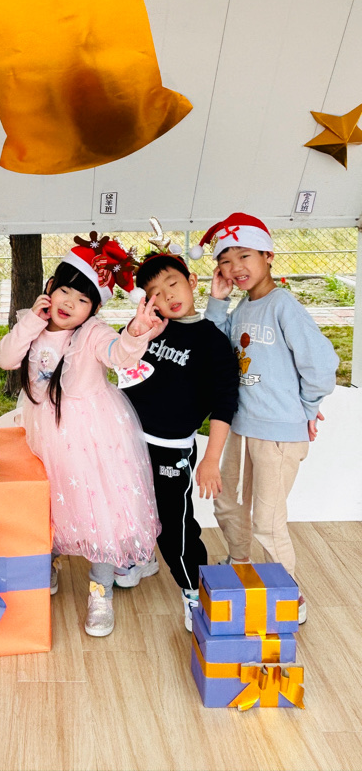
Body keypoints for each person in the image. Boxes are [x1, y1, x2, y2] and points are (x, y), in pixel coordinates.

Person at [0, 233, 164, 637]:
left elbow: (118, 354)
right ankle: (47, 563)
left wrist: (136, 331)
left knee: (97, 510)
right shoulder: (33, 324)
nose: (69, 303)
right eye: (65, 290)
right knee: (47, 502)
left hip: (89, 438)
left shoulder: (91, 334)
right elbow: (5, 358)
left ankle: (100, 590)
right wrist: (32, 321)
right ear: (50, 287)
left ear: (94, 309)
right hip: (40, 435)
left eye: (83, 299)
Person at [195, 212, 338, 621]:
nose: (235, 267)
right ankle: (240, 565)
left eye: (244, 256)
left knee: (268, 519)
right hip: (241, 427)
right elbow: (216, 348)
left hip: (278, 434)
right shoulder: (243, 306)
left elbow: (321, 365)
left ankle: (289, 593)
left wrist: (306, 409)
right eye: (225, 261)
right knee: (228, 503)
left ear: (268, 256)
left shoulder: (283, 306)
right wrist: (217, 301)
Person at [117, 226, 239, 630]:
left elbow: (225, 403)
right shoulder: (148, 328)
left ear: (191, 281)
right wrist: (136, 330)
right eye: (154, 292)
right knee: (131, 505)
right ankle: (140, 557)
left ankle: (193, 590)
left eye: (172, 283)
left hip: (172, 449)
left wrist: (211, 459)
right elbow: (118, 357)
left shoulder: (211, 341)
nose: (166, 295)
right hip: (127, 440)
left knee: (176, 524)